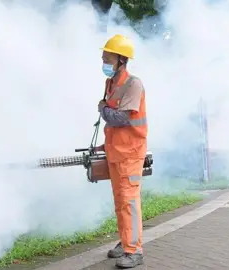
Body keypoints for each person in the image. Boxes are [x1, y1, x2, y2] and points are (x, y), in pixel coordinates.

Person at [95, 34, 148, 269]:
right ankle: (125, 242)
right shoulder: (111, 83)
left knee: (129, 202)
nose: (103, 60)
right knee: (120, 201)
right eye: (103, 56)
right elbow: (112, 124)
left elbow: (120, 118)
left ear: (121, 59)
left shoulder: (132, 84)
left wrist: (102, 108)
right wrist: (103, 145)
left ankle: (134, 250)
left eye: (107, 56)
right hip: (116, 152)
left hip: (130, 154)